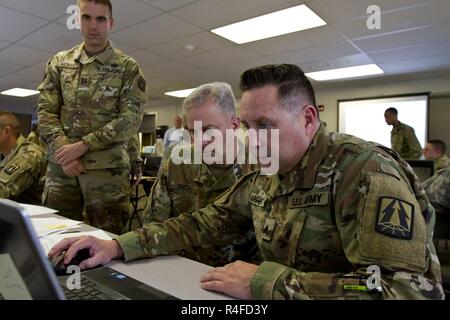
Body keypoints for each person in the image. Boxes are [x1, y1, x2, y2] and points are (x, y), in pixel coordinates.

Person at [50, 64, 444, 300]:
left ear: (308, 119)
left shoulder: (366, 173)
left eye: (264, 126)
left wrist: (269, 283)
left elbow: (400, 290)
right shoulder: (269, 172)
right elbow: (203, 221)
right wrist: (116, 244)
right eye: (247, 125)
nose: (251, 139)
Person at [37, 0, 147, 234]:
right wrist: (64, 152)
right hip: (62, 171)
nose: (93, 25)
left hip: (107, 175)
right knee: (56, 237)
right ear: (78, 20)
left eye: (100, 19)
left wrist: (84, 145)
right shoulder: (59, 63)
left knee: (105, 241)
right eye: (86, 17)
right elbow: (46, 112)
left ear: (111, 23)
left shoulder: (128, 68)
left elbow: (129, 120)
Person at [143, 82, 259, 266]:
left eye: (208, 130)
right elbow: (153, 223)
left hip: (238, 279)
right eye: (193, 131)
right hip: (181, 268)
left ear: (234, 124)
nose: (200, 141)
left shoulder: (259, 167)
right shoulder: (178, 163)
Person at [0, 111, 46, 204]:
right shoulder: (6, 154)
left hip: (28, 216)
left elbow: (2, 190)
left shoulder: (28, 155)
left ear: (6, 131)